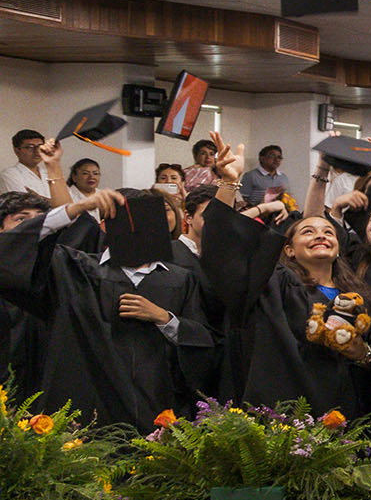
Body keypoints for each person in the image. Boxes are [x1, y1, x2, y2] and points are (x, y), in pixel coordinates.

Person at [198, 135, 371, 415]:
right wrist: (229, 184)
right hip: (283, 413)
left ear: (340, 247)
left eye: (328, 232)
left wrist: (361, 352)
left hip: (346, 411)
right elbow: (223, 252)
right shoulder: (271, 286)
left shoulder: (358, 296)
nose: (320, 235)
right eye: (308, 231)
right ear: (288, 250)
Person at [0, 182, 215, 433]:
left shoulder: (181, 279)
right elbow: (15, 254)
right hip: (91, 407)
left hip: (156, 404)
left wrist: (164, 318)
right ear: (104, 225)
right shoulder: (74, 270)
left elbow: (204, 341)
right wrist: (76, 209)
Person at [0, 129, 50, 197]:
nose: (37, 151)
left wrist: (39, 197)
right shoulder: (9, 175)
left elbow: (68, 202)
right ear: (17, 150)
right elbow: (24, 204)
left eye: (40, 146)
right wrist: (56, 203)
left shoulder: (49, 174)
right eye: (30, 147)